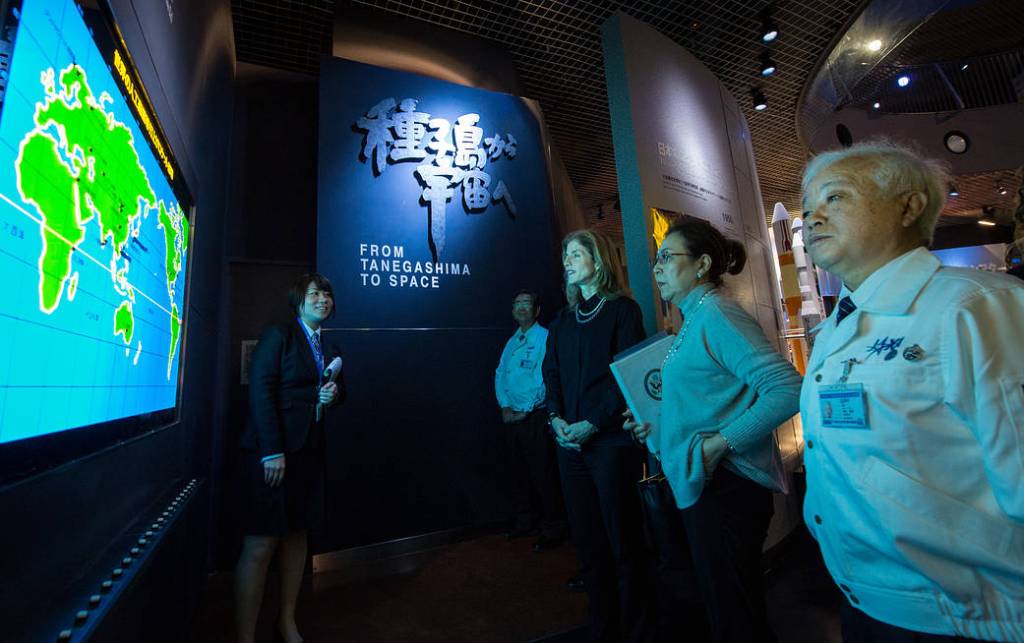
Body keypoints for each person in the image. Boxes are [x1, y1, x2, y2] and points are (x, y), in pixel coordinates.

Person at [799, 140, 1024, 642]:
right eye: (808, 204)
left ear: (909, 206)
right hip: (869, 602)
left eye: (834, 198)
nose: (812, 216)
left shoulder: (977, 308)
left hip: (974, 618)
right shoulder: (840, 324)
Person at [626, 216, 801, 642]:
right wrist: (655, 429)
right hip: (711, 486)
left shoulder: (717, 314)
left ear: (702, 264)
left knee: (735, 617)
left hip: (728, 488)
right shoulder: (694, 319)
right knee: (726, 609)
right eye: (657, 259)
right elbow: (704, 405)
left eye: (668, 257)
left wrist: (720, 445)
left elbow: (788, 388)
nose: (658, 268)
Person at [543, 229, 650, 642]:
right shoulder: (562, 321)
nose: (567, 261)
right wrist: (555, 420)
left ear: (597, 259)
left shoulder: (623, 311)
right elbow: (550, 375)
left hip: (609, 444)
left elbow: (625, 377)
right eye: (565, 255)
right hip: (569, 444)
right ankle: (602, 628)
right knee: (588, 545)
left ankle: (639, 630)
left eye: (575, 254)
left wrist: (593, 423)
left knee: (624, 542)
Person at [234, 273, 344, 643]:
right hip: (272, 456)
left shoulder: (327, 344)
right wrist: (272, 451)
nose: (322, 299)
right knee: (261, 543)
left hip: (308, 453)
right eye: (314, 293)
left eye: (327, 294)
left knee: (298, 538)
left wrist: (333, 395)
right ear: (298, 301)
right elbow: (260, 392)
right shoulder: (278, 336)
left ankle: (286, 622)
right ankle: (245, 637)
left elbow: (337, 391)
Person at [494, 289, 566, 551]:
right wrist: (505, 406)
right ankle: (526, 522)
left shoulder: (545, 337)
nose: (522, 308)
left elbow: (545, 377)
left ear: (537, 310)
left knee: (543, 476)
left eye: (527, 304)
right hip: (512, 417)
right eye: (517, 304)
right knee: (520, 473)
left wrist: (524, 409)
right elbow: (500, 373)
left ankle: (553, 528)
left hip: (533, 416)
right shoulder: (513, 340)